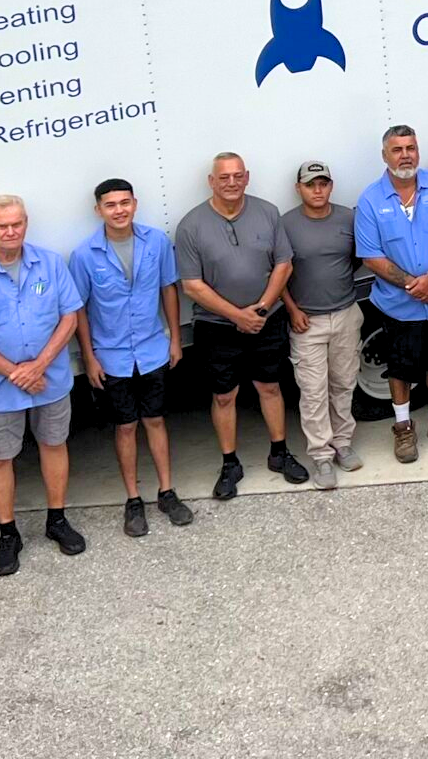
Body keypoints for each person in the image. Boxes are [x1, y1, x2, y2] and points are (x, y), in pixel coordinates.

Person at [0, 194, 86, 576]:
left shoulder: (51, 264)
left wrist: (39, 365)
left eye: (17, 224)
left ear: (26, 223)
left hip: (49, 380)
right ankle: (8, 534)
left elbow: (69, 317)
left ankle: (56, 520)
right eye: (2, 225)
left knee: (54, 445)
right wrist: (16, 372)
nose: (10, 232)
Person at [175, 153, 308, 491]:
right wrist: (237, 315)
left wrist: (261, 309)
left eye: (237, 176)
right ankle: (230, 464)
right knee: (224, 396)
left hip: (267, 319)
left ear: (247, 177)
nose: (231, 183)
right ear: (211, 181)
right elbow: (192, 285)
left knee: (271, 386)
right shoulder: (191, 225)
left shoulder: (267, 212)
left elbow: (284, 264)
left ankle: (279, 453)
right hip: (217, 326)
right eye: (224, 178)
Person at [69, 179, 191, 538]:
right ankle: (134, 500)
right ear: (99, 210)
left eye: (125, 202)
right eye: (111, 205)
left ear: (135, 204)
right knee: (125, 426)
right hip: (112, 357)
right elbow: (78, 311)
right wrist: (89, 358)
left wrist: (175, 338)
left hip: (152, 349)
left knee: (155, 420)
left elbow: (168, 289)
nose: (119, 210)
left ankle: (167, 492)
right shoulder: (84, 255)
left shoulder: (155, 242)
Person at [355, 124, 428, 463]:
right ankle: (404, 428)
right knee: (401, 367)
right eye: (397, 149)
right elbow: (370, 255)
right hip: (398, 303)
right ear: (384, 155)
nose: (405, 155)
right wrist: (414, 285)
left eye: (411, 148)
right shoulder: (371, 200)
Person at [279, 161, 366, 490]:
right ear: (298, 188)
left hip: (345, 313)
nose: (317, 190)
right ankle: (321, 456)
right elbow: (278, 271)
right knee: (313, 392)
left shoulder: (347, 218)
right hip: (307, 321)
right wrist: (291, 309)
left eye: (323, 183)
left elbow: (357, 258)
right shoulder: (286, 224)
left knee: (343, 385)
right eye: (310, 184)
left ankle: (343, 444)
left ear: (331, 185)